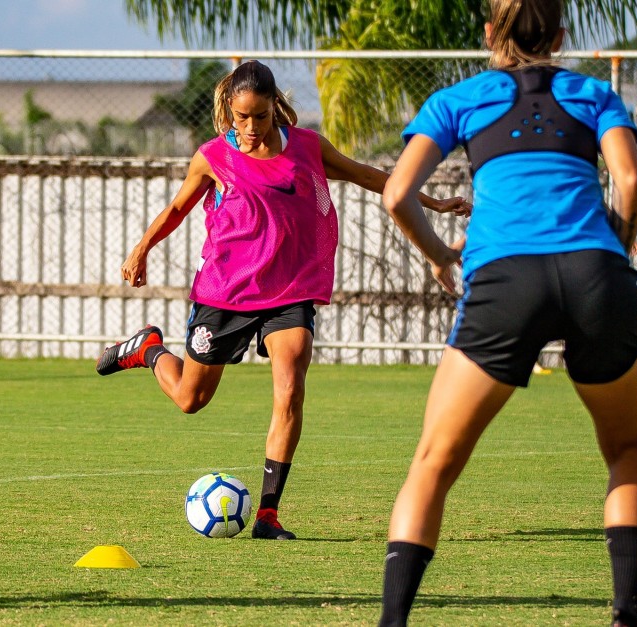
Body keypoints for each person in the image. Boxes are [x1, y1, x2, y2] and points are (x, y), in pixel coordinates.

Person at [95, 60, 470, 541]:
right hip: (226, 291)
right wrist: (142, 247)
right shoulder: (212, 156)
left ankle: (268, 515)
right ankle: (148, 349)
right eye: (241, 118)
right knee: (191, 399)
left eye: (260, 117)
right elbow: (177, 208)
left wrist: (433, 203)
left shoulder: (309, 148)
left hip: (291, 290)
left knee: (290, 388)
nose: (250, 129)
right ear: (229, 111)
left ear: (276, 108)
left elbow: (371, 177)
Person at [377, 1, 637, 625]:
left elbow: (398, 194)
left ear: (486, 34)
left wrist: (439, 255)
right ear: (560, 35)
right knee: (628, 452)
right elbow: (630, 181)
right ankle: (625, 615)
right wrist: (617, 237)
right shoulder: (593, 94)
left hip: (506, 281)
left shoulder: (463, 98)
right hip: (596, 274)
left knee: (434, 462)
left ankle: (393, 620)